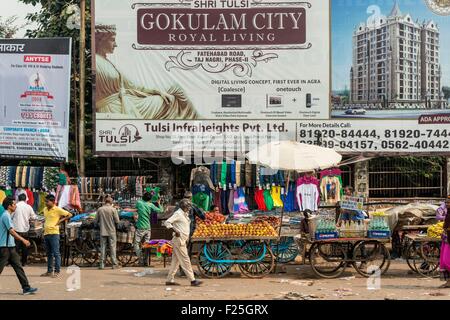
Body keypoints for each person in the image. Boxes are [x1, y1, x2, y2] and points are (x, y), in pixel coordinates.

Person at [95, 24, 199, 120]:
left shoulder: (105, 61)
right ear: (101, 40)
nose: (116, 44)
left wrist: (157, 91)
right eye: (112, 40)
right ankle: (195, 120)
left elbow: (133, 86)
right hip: (118, 107)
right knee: (172, 98)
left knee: (175, 89)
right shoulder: (96, 62)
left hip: (128, 101)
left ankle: (195, 118)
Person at [0, 197, 38, 295]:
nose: (16, 206)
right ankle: (26, 287)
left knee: (18, 267)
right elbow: (11, 231)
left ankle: (26, 288)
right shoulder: (6, 216)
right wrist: (23, 240)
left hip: (10, 247)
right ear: (9, 206)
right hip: (5, 248)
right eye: (14, 204)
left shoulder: (8, 215)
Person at [164, 199, 202, 286]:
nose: (189, 208)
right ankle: (192, 280)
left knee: (175, 261)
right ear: (184, 207)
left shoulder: (184, 214)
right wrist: (175, 230)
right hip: (179, 240)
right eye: (187, 207)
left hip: (182, 240)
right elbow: (167, 222)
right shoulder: (178, 213)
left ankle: (169, 280)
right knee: (186, 260)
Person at [126, 192, 163, 266]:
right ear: (149, 199)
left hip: (140, 227)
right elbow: (161, 210)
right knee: (146, 245)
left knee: (136, 244)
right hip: (148, 228)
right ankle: (146, 261)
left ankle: (141, 259)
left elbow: (136, 209)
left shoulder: (139, 203)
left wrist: (128, 210)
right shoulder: (150, 205)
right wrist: (158, 203)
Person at [41, 194, 72, 278]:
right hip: (46, 233)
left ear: (53, 202)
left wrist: (60, 220)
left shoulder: (57, 209)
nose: (46, 203)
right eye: (45, 201)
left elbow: (69, 215)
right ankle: (49, 271)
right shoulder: (45, 209)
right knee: (49, 254)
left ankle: (57, 271)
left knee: (56, 253)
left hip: (54, 233)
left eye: (47, 201)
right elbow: (46, 219)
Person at [94, 196, 120, 269]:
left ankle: (102, 264)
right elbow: (117, 221)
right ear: (111, 202)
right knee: (112, 248)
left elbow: (95, 221)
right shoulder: (113, 209)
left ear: (105, 202)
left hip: (103, 231)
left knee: (103, 248)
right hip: (112, 231)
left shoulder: (100, 209)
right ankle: (114, 264)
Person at [12, 193, 37, 266]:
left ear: (18, 199)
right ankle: (24, 262)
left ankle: (15, 262)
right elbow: (34, 217)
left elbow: (11, 215)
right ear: (26, 199)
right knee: (25, 247)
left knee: (16, 247)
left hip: (16, 229)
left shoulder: (15, 206)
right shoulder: (28, 207)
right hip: (25, 229)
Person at [439, 196, 450, 288]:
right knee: (444, 260)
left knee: (447, 261)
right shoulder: (447, 213)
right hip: (446, 239)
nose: (447, 204)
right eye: (446, 202)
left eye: (449, 203)